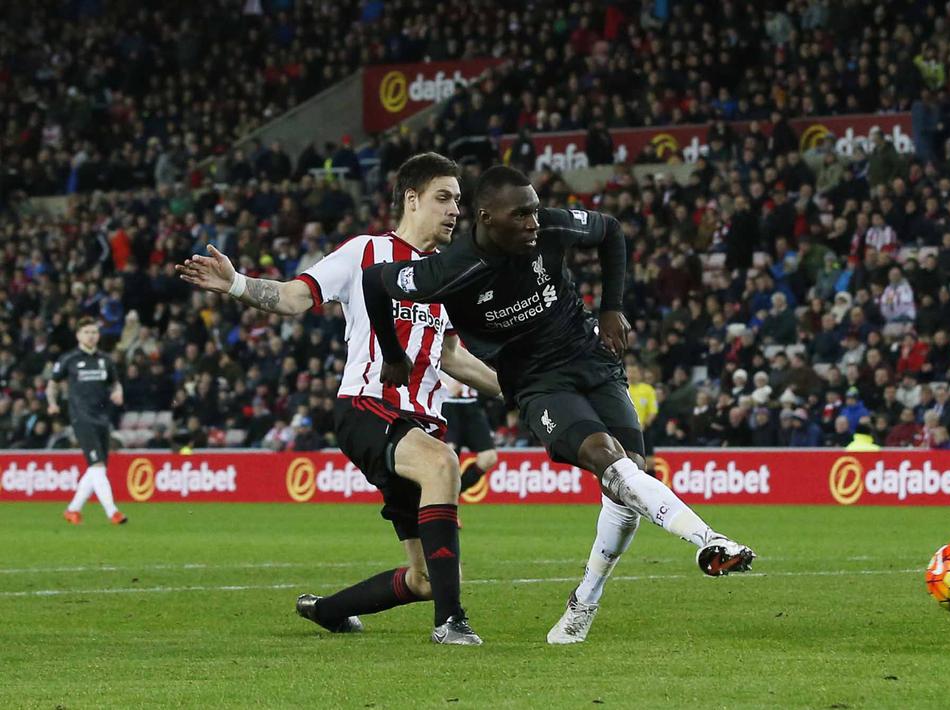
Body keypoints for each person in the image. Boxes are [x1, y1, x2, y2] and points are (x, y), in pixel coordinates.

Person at [363, 165, 756, 645]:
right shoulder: (449, 269)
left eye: (534, 209)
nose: (534, 222)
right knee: (606, 458)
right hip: (537, 383)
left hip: (592, 360)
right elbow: (374, 281)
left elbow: (610, 230)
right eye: (521, 214)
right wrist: (393, 354)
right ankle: (709, 539)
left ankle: (583, 601)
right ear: (486, 218)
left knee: (627, 482)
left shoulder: (549, 226)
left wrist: (612, 306)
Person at [176, 153, 500, 645]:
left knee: (424, 580)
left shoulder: (448, 274)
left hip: (421, 423)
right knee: (443, 466)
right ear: (412, 200)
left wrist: (517, 387)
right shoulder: (364, 252)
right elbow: (293, 298)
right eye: (443, 197)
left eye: (458, 199)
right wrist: (237, 284)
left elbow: (453, 355)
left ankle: (328, 611)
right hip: (368, 407)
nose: (456, 209)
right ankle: (452, 624)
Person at [48, 318, 128, 525]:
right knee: (97, 465)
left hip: (102, 418)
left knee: (96, 469)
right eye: (87, 332)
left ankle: (72, 510)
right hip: (81, 418)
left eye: (94, 332)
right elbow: (52, 384)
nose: (91, 335)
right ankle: (113, 512)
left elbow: (116, 383)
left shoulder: (105, 360)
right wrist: (52, 403)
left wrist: (118, 392)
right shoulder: (70, 359)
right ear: (78, 335)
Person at [439, 372, 498, 491]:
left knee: (489, 457)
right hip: (447, 405)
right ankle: (435, 498)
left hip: (472, 405)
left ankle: (455, 493)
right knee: (447, 459)